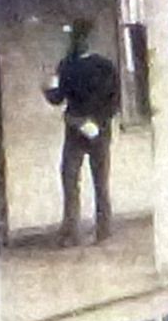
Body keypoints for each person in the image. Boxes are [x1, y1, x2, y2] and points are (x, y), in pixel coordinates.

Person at [44, 16, 119, 246]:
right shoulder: (66, 65)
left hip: (97, 129)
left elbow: (114, 99)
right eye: (74, 37)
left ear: (87, 39)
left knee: (99, 181)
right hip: (76, 129)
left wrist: (98, 123)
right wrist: (49, 88)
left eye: (79, 37)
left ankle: (103, 229)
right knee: (69, 177)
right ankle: (71, 231)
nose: (77, 42)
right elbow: (58, 98)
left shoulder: (104, 66)